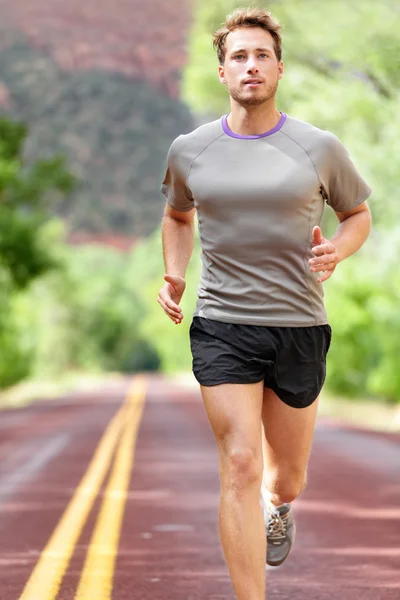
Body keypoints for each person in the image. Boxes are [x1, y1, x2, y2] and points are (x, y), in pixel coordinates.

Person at [157, 6, 372, 599]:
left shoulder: (318, 148)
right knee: (241, 463)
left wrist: (338, 252)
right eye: (239, 57)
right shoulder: (190, 150)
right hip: (223, 324)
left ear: (279, 69)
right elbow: (177, 215)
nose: (251, 66)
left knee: (286, 479)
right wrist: (175, 273)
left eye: (262, 56)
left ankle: (279, 507)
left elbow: (357, 215)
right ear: (222, 72)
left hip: (299, 325)